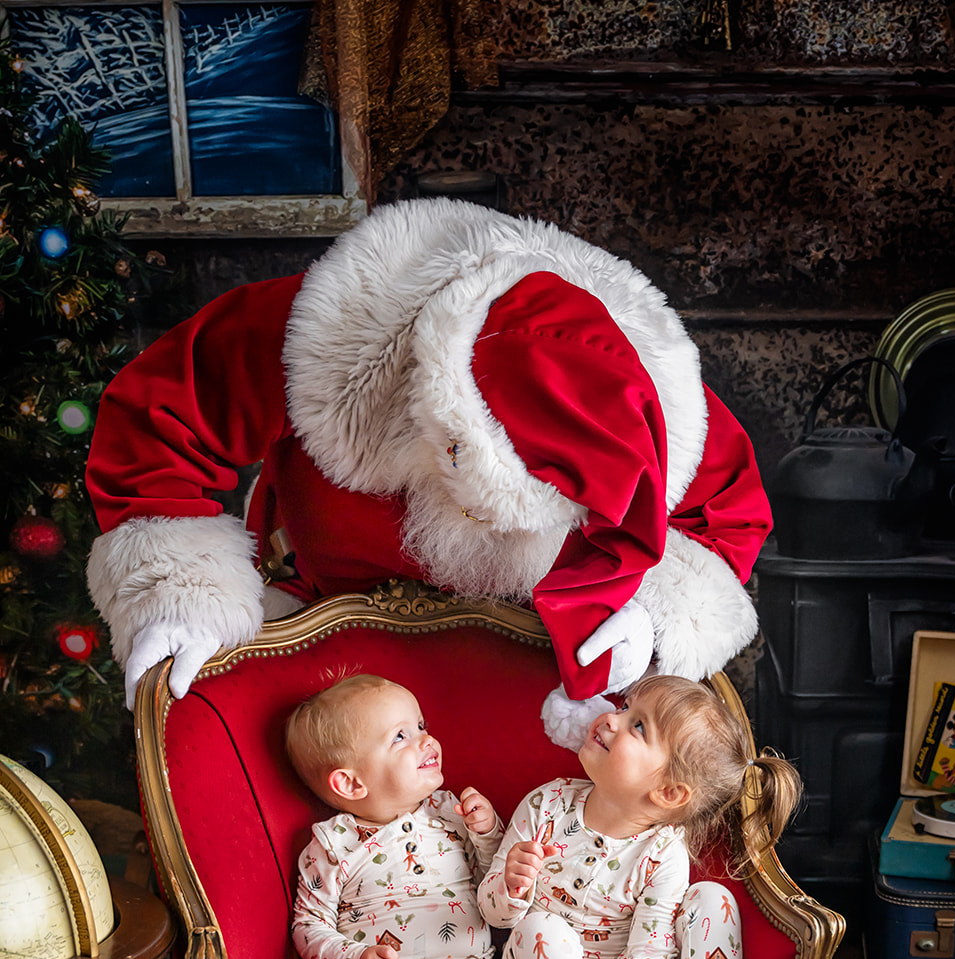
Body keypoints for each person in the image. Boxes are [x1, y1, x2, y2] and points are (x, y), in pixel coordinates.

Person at [85, 197, 771, 745]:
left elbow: (726, 517)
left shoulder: (660, 399)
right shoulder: (336, 323)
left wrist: (656, 618)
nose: (480, 519)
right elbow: (162, 416)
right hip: (320, 623)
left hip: (522, 667)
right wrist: (180, 591)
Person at [478, 673, 802, 959]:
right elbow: (493, 916)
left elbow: (651, 951)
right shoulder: (544, 806)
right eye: (625, 707)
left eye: (638, 726)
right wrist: (511, 885)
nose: (610, 718)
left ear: (668, 792)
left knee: (712, 898)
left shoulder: (664, 852)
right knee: (539, 927)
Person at [286, 672, 591, 959]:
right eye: (401, 736)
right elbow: (308, 926)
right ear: (350, 784)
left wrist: (487, 834)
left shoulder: (451, 812)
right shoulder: (333, 846)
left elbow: (492, 881)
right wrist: (352, 958)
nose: (426, 739)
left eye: (422, 725)